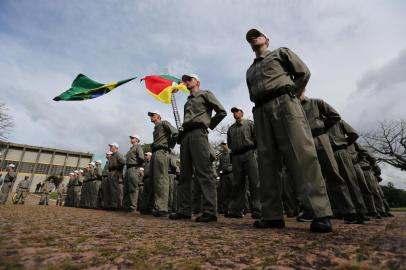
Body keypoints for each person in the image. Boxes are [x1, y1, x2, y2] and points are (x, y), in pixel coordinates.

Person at [245, 28, 332, 232]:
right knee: (266, 161)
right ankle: (272, 214)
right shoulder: (250, 70)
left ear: (267, 39)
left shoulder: (280, 53)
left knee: (301, 154)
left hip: (284, 102)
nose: (253, 38)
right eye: (249, 38)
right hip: (260, 109)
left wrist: (291, 93)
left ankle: (319, 212)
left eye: (257, 35)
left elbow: (303, 72)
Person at [169, 73, 227, 222]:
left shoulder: (205, 94)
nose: (187, 82)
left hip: (198, 133)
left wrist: (208, 124)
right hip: (186, 135)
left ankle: (210, 211)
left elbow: (221, 111)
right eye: (185, 80)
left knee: (204, 172)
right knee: (184, 175)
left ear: (197, 82)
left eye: (190, 79)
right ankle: (184, 210)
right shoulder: (187, 102)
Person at [298, 90, 359, 223]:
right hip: (303, 142)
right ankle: (312, 211)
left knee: (333, 174)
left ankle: (349, 211)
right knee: (309, 178)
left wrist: (321, 127)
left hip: (320, 138)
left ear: (303, 89)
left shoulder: (316, 102)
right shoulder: (293, 107)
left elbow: (335, 115)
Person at [328, 120, 367, 223]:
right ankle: (348, 213)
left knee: (350, 181)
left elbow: (353, 134)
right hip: (327, 153)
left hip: (341, 151)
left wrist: (343, 143)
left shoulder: (337, 122)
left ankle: (360, 212)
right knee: (335, 183)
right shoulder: (318, 124)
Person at [226, 106, 261, 219]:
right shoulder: (231, 129)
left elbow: (256, 138)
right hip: (236, 156)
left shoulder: (249, 124)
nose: (235, 113)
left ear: (242, 112)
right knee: (237, 183)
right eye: (233, 112)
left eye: (237, 111)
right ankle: (235, 210)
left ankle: (258, 209)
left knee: (254, 182)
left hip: (249, 153)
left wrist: (253, 152)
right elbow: (230, 144)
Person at [148, 110, 178, 217]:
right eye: (150, 115)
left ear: (159, 116)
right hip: (156, 152)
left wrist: (168, 146)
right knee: (155, 180)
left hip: (161, 152)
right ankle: (157, 206)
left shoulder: (164, 123)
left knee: (161, 180)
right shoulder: (155, 128)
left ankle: (162, 208)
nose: (151, 116)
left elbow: (175, 133)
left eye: (153, 115)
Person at [123, 134, 145, 212]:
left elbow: (141, 158)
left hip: (134, 168)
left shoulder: (138, 147)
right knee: (126, 188)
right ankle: (126, 206)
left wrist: (138, 166)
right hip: (128, 169)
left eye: (133, 138)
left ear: (137, 139)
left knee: (133, 188)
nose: (131, 139)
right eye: (131, 138)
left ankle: (132, 207)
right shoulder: (130, 149)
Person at [106, 142, 125, 210]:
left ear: (115, 147)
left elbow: (123, 162)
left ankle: (115, 205)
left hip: (115, 172)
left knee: (114, 189)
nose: (110, 147)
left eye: (111, 146)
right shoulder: (113, 155)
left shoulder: (118, 154)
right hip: (111, 172)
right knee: (111, 189)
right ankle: (111, 204)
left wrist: (116, 167)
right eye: (110, 146)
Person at [217, 141, 233, 215]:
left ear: (227, 144)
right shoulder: (221, 155)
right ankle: (225, 209)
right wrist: (219, 175)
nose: (223, 146)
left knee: (232, 192)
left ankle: (233, 209)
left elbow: (235, 163)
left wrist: (230, 169)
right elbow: (220, 166)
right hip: (223, 175)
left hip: (231, 174)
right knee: (224, 192)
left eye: (224, 144)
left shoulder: (232, 153)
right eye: (222, 145)